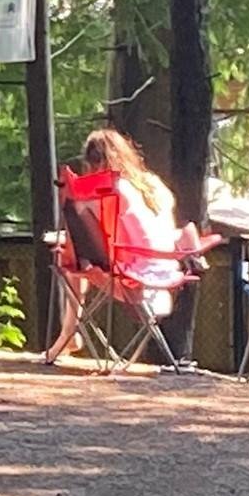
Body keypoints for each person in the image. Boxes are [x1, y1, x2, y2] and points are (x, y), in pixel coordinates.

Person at [41, 127, 221, 364]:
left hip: (134, 279)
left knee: (72, 261)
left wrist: (65, 240)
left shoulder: (111, 189)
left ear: (95, 162)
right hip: (166, 273)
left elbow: (89, 234)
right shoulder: (154, 185)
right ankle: (70, 335)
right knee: (77, 257)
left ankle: (68, 334)